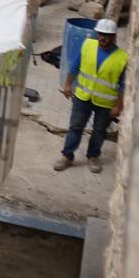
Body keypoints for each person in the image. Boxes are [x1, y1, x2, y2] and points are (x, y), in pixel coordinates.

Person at [56, 18, 127, 175]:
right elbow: (75, 65)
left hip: (105, 102)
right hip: (83, 97)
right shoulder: (88, 45)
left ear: (114, 36)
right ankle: (66, 155)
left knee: (99, 130)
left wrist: (119, 105)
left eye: (107, 35)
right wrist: (67, 85)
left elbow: (123, 84)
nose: (103, 37)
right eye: (101, 34)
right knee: (75, 127)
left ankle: (93, 156)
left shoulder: (122, 58)